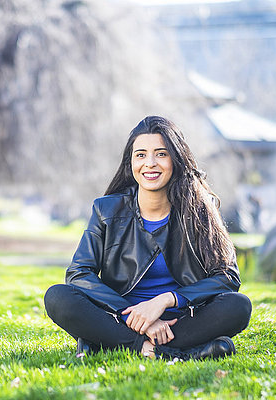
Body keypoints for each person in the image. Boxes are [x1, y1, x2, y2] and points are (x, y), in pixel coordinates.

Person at [44, 116, 252, 360]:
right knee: (58, 297)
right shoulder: (106, 210)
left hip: (179, 319)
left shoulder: (199, 211)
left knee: (238, 306)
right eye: (140, 155)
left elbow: (228, 277)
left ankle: (109, 343)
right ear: (130, 162)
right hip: (118, 316)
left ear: (176, 160)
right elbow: (79, 274)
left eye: (161, 154)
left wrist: (166, 301)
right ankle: (162, 350)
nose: (150, 163)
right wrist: (132, 315)